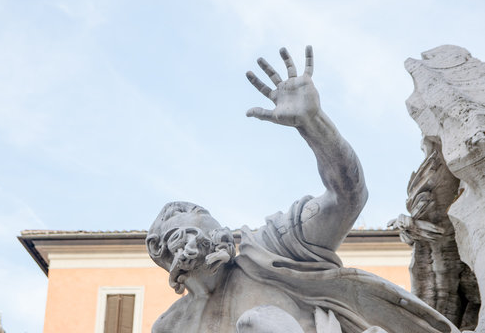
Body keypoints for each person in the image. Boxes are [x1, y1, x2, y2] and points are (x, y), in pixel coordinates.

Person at [146, 46, 460, 333]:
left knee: (257, 321)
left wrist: (313, 124)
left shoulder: (273, 248)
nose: (212, 237)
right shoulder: (170, 327)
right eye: (181, 234)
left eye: (211, 225)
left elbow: (347, 197)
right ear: (164, 256)